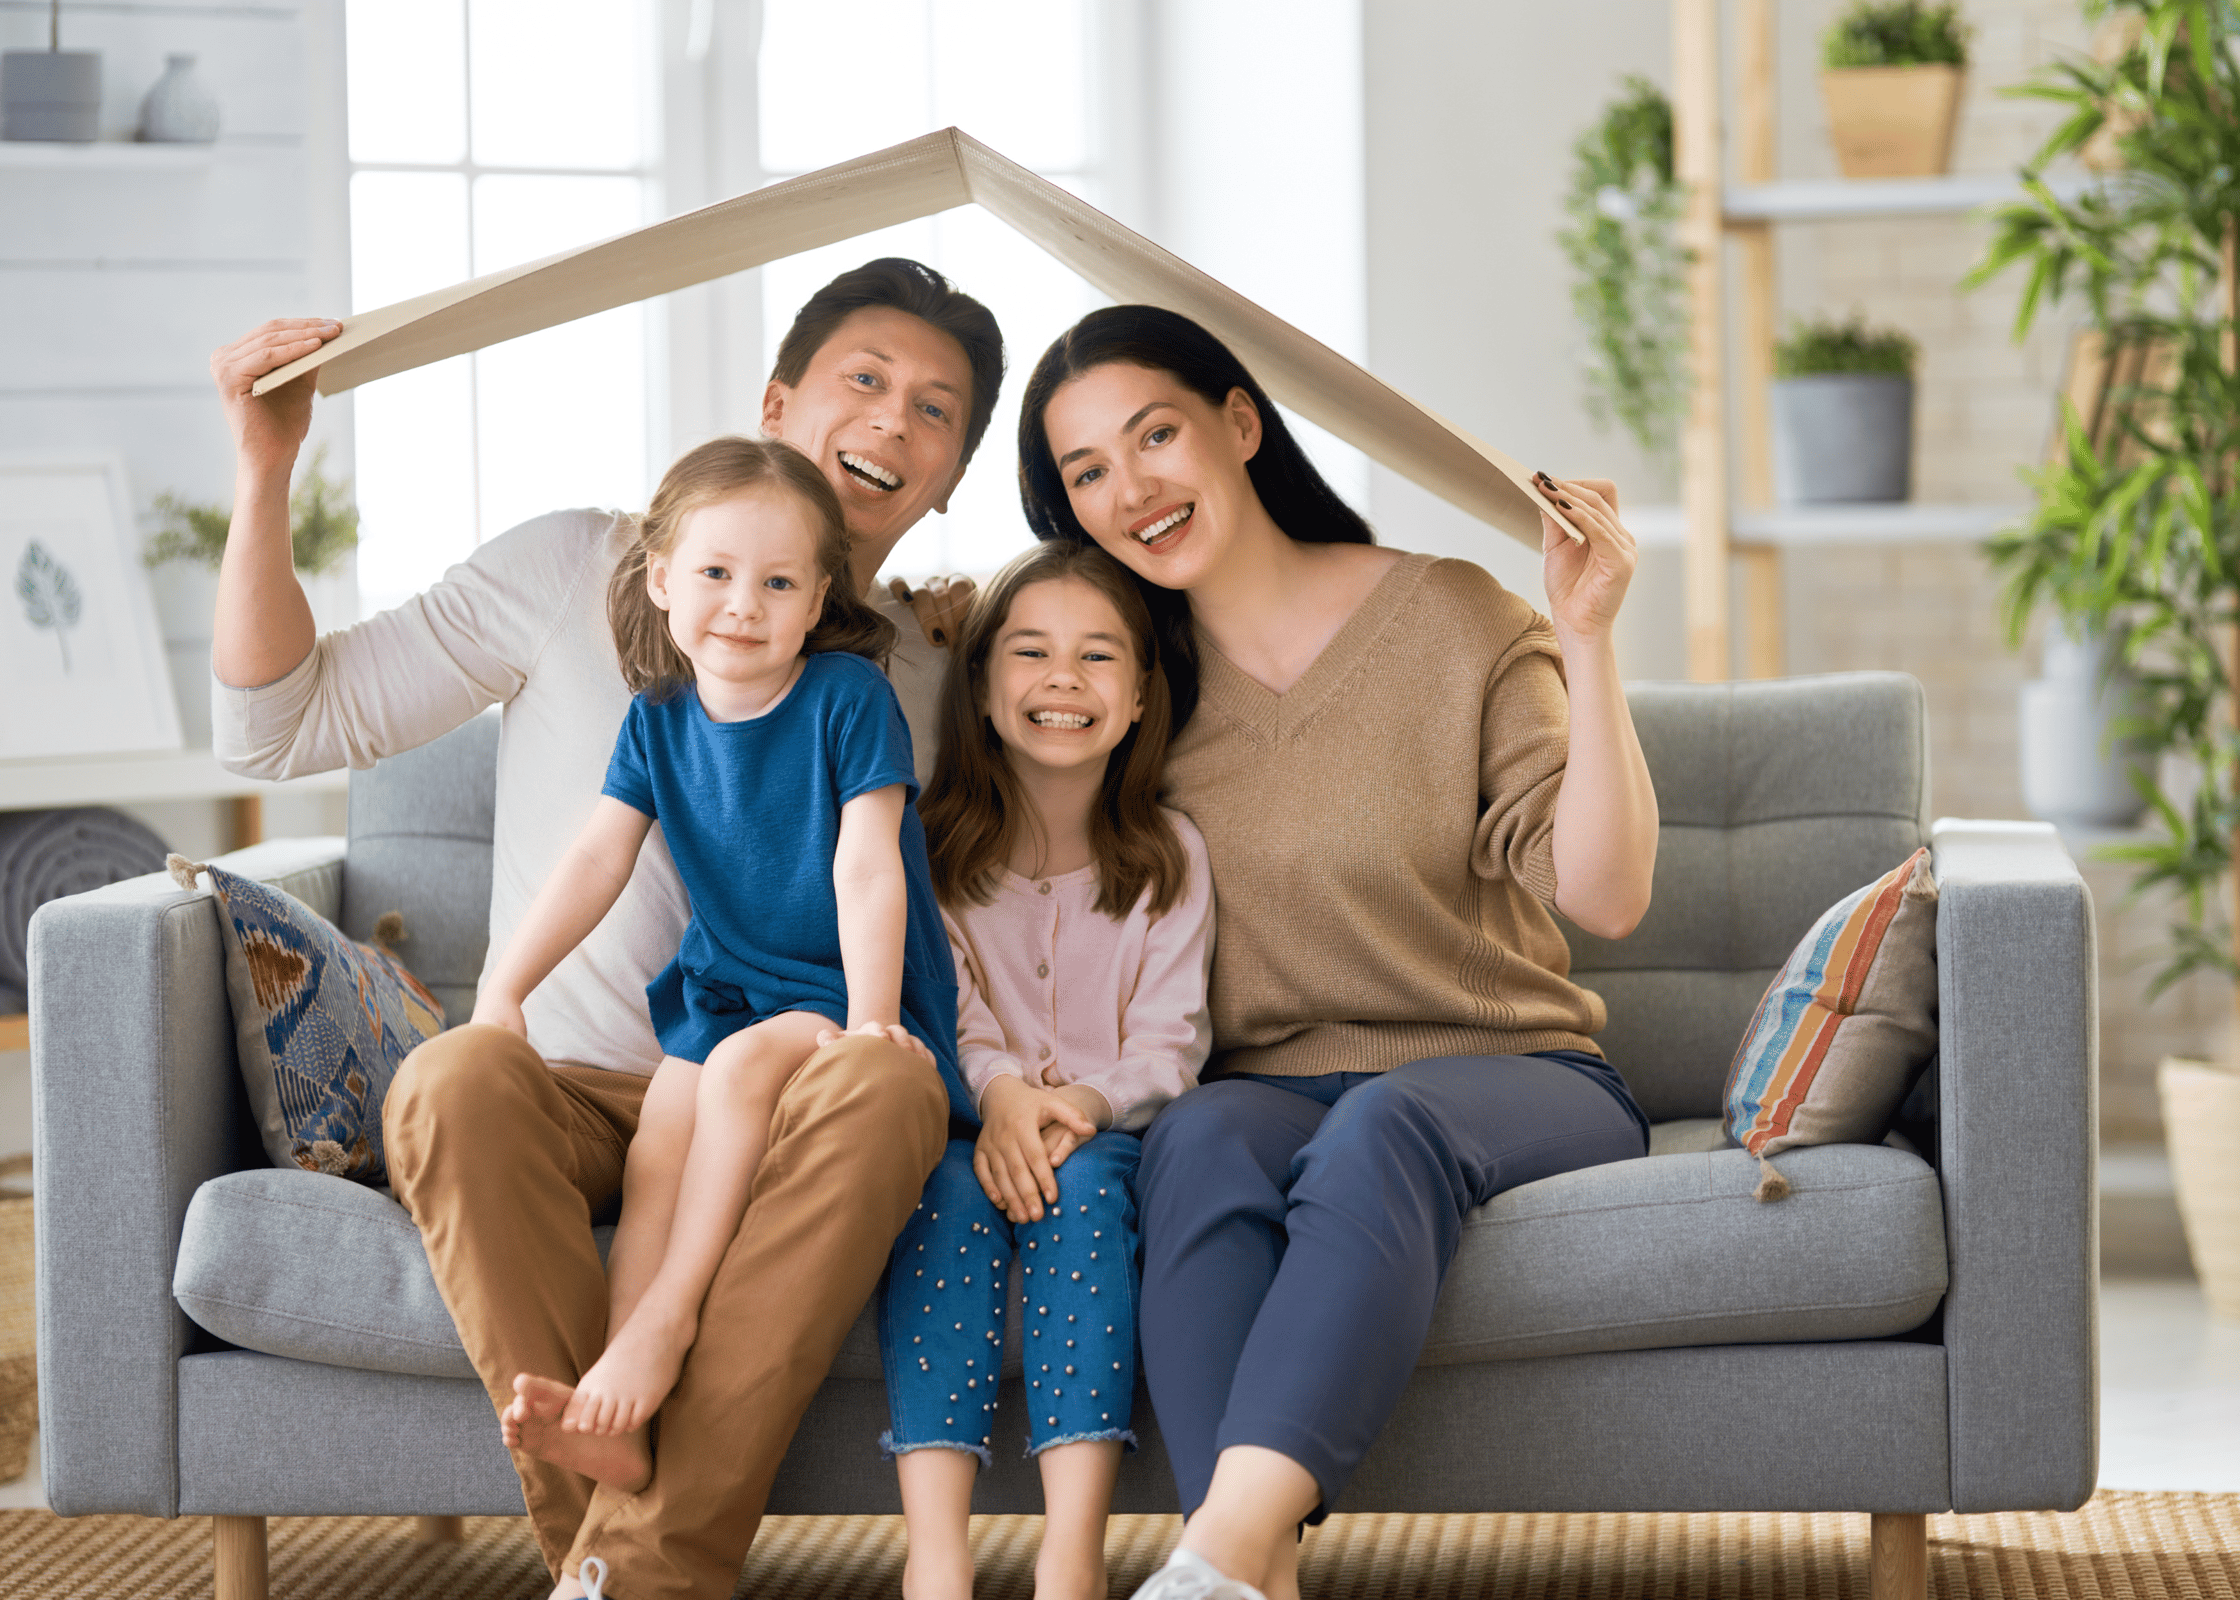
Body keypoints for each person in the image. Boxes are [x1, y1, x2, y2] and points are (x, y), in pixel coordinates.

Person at [207, 259, 1004, 1600]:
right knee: (450, 1078)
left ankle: (624, 1573)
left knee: (882, 1085)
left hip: (805, 1090)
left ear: (949, 478)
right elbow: (276, 727)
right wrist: (265, 465)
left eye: (936, 410)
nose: (892, 420)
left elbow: (971, 890)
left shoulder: (930, 670)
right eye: (865, 378)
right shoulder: (576, 572)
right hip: (582, 1089)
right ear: (776, 402)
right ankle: (634, 1556)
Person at [1015, 305, 1660, 1600]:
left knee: (1384, 1123)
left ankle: (1215, 1553)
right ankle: (1251, 1578)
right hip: (1263, 1087)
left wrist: (1587, 636)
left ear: (1240, 423)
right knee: (1195, 1140)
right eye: (1086, 470)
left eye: (1154, 435)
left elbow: (1606, 894)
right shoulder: (1131, 688)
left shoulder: (1453, 616)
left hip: (1514, 1076)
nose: (1129, 487)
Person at [462, 436, 966, 1488]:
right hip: (732, 991)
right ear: (662, 580)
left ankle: (668, 1321)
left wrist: (873, 1023)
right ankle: (616, 1396)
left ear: (818, 599)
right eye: (716, 573)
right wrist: (505, 988)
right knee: (663, 1133)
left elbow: (869, 866)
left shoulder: (847, 698)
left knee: (733, 1072)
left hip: (847, 993)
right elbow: (597, 859)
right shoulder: (657, 719)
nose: (743, 604)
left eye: (778, 583)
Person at [882, 542, 1214, 1600]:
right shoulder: (927, 849)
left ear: (1138, 699)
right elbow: (946, 1009)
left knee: (1083, 1195)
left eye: (1096, 656)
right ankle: (936, 1553)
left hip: (1105, 1134)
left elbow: (1171, 1039)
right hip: (967, 1125)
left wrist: (1075, 1103)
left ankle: (1072, 1553)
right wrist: (1003, 1098)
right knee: (939, 1195)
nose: (1063, 678)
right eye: (1030, 652)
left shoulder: (1171, 853)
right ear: (982, 688)